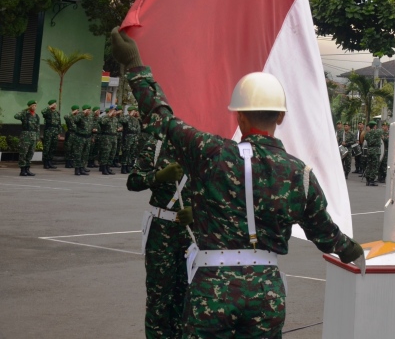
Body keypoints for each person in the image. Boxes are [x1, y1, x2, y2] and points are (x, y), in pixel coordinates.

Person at [111, 27, 363, 338]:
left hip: (212, 286)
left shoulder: (212, 153)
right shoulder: (300, 173)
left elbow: (160, 118)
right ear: (281, 117)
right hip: (265, 292)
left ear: (239, 117)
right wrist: (353, 251)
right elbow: (326, 235)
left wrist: (135, 65)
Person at [127, 131, 195, 337]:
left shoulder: (204, 147)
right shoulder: (157, 145)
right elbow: (133, 181)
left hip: (193, 233)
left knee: (188, 296)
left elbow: (219, 188)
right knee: (159, 297)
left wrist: (199, 211)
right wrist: (156, 176)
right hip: (162, 232)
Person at [14, 100, 40, 176]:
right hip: (26, 136)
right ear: (29, 106)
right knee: (23, 153)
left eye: (35, 105)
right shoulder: (25, 114)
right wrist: (24, 110)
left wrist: (37, 137)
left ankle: (27, 169)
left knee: (30, 153)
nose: (34, 107)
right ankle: (22, 170)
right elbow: (16, 116)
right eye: (33, 105)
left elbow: (38, 127)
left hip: (33, 136)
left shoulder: (36, 116)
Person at [41, 100, 61, 170]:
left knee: (53, 147)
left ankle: (50, 161)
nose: (55, 105)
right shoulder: (47, 112)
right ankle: (45, 162)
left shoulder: (57, 113)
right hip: (49, 130)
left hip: (55, 131)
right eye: (53, 104)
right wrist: (49, 107)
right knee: (47, 147)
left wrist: (59, 132)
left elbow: (59, 123)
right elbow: (43, 112)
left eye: (55, 104)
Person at [363, 120, 384, 186]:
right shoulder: (377, 132)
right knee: (375, 166)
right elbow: (382, 131)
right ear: (375, 126)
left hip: (369, 150)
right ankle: (372, 180)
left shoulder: (367, 134)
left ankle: (367, 179)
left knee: (369, 165)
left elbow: (366, 139)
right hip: (375, 150)